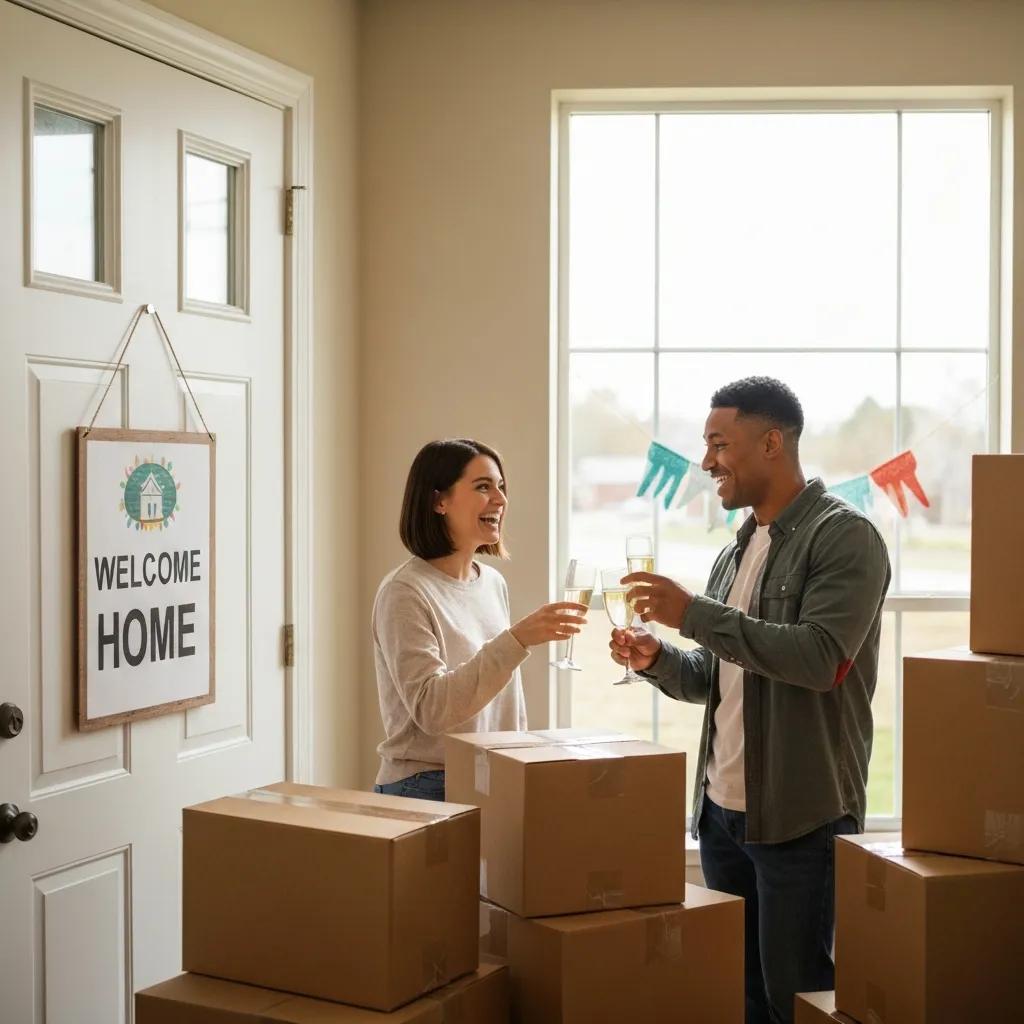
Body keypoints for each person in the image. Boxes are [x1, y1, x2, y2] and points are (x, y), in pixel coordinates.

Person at [610, 377, 891, 1024]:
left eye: (718, 444)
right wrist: (659, 661)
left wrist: (696, 615)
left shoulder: (846, 539)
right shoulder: (736, 550)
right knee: (741, 999)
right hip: (721, 818)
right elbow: (717, 676)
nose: (707, 462)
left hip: (800, 819)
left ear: (771, 442)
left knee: (796, 1000)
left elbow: (820, 659)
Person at [373, 438, 587, 801]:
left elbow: (502, 702)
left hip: (492, 776)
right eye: (483, 487)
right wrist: (516, 640)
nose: (501, 500)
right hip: (427, 784)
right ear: (439, 501)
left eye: (501, 487)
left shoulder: (491, 583)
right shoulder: (404, 592)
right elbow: (432, 710)